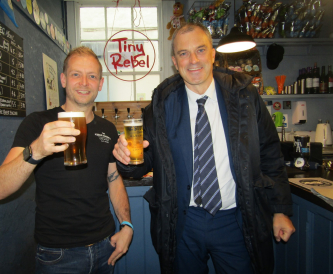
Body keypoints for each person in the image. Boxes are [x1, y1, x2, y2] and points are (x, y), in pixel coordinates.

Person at [113, 23, 295, 274]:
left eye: (200, 50)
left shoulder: (245, 95)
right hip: (183, 222)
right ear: (175, 62)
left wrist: (280, 209)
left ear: (213, 54)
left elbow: (270, 154)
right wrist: (125, 159)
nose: (193, 60)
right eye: (183, 53)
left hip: (236, 218)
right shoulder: (161, 103)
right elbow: (144, 160)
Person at [0, 46, 133, 274]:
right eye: (76, 74)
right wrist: (36, 150)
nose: (84, 82)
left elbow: (113, 179)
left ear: (100, 84)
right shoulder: (39, 123)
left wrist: (126, 225)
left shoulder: (107, 128)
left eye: (92, 76)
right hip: (57, 255)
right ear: (64, 80)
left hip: (105, 246)